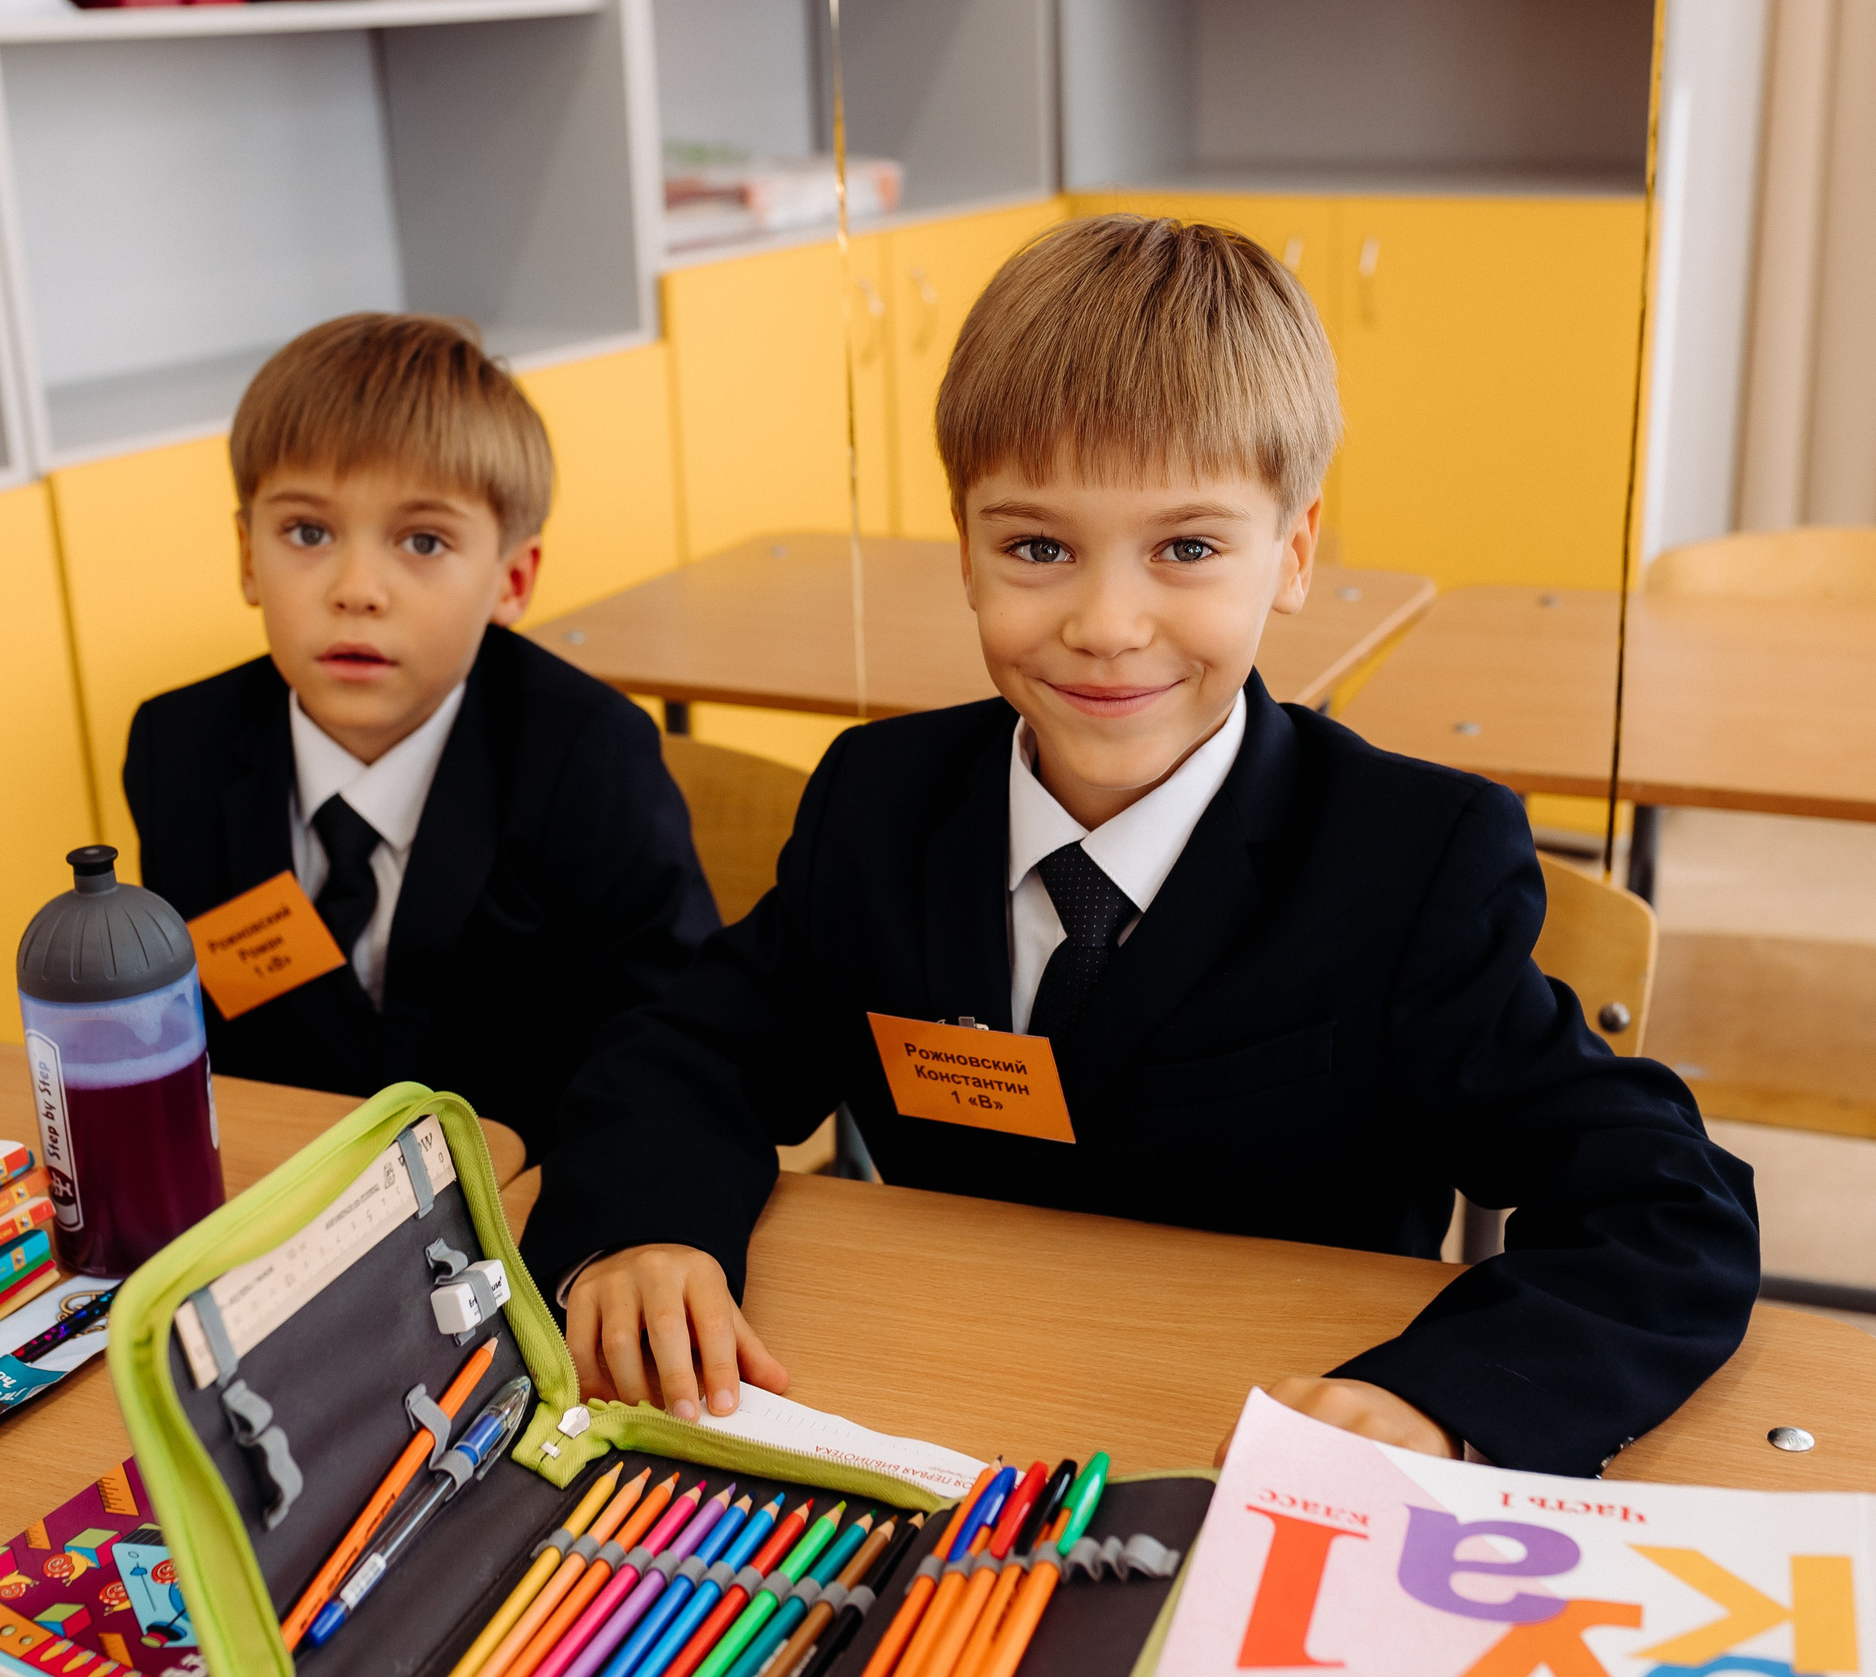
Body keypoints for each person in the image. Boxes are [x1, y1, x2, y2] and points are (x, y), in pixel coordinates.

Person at [520, 217, 1759, 1478]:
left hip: (1233, 1458)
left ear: (1294, 552)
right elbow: (690, 1052)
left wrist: (1442, 1398)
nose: (1107, 626)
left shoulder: (1410, 862)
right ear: (964, 550)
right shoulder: (879, 804)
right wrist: (643, 1229)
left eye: (1186, 548)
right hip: (937, 1411)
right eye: (1037, 548)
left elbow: (1665, 1202)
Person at [125, 314, 718, 1160]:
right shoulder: (177, 750)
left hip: (530, 1210)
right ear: (247, 555)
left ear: (511, 579)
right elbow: (202, 1044)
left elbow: (670, 1049)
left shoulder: (589, 758)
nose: (357, 589)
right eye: (307, 532)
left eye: (424, 541)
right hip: (284, 1211)